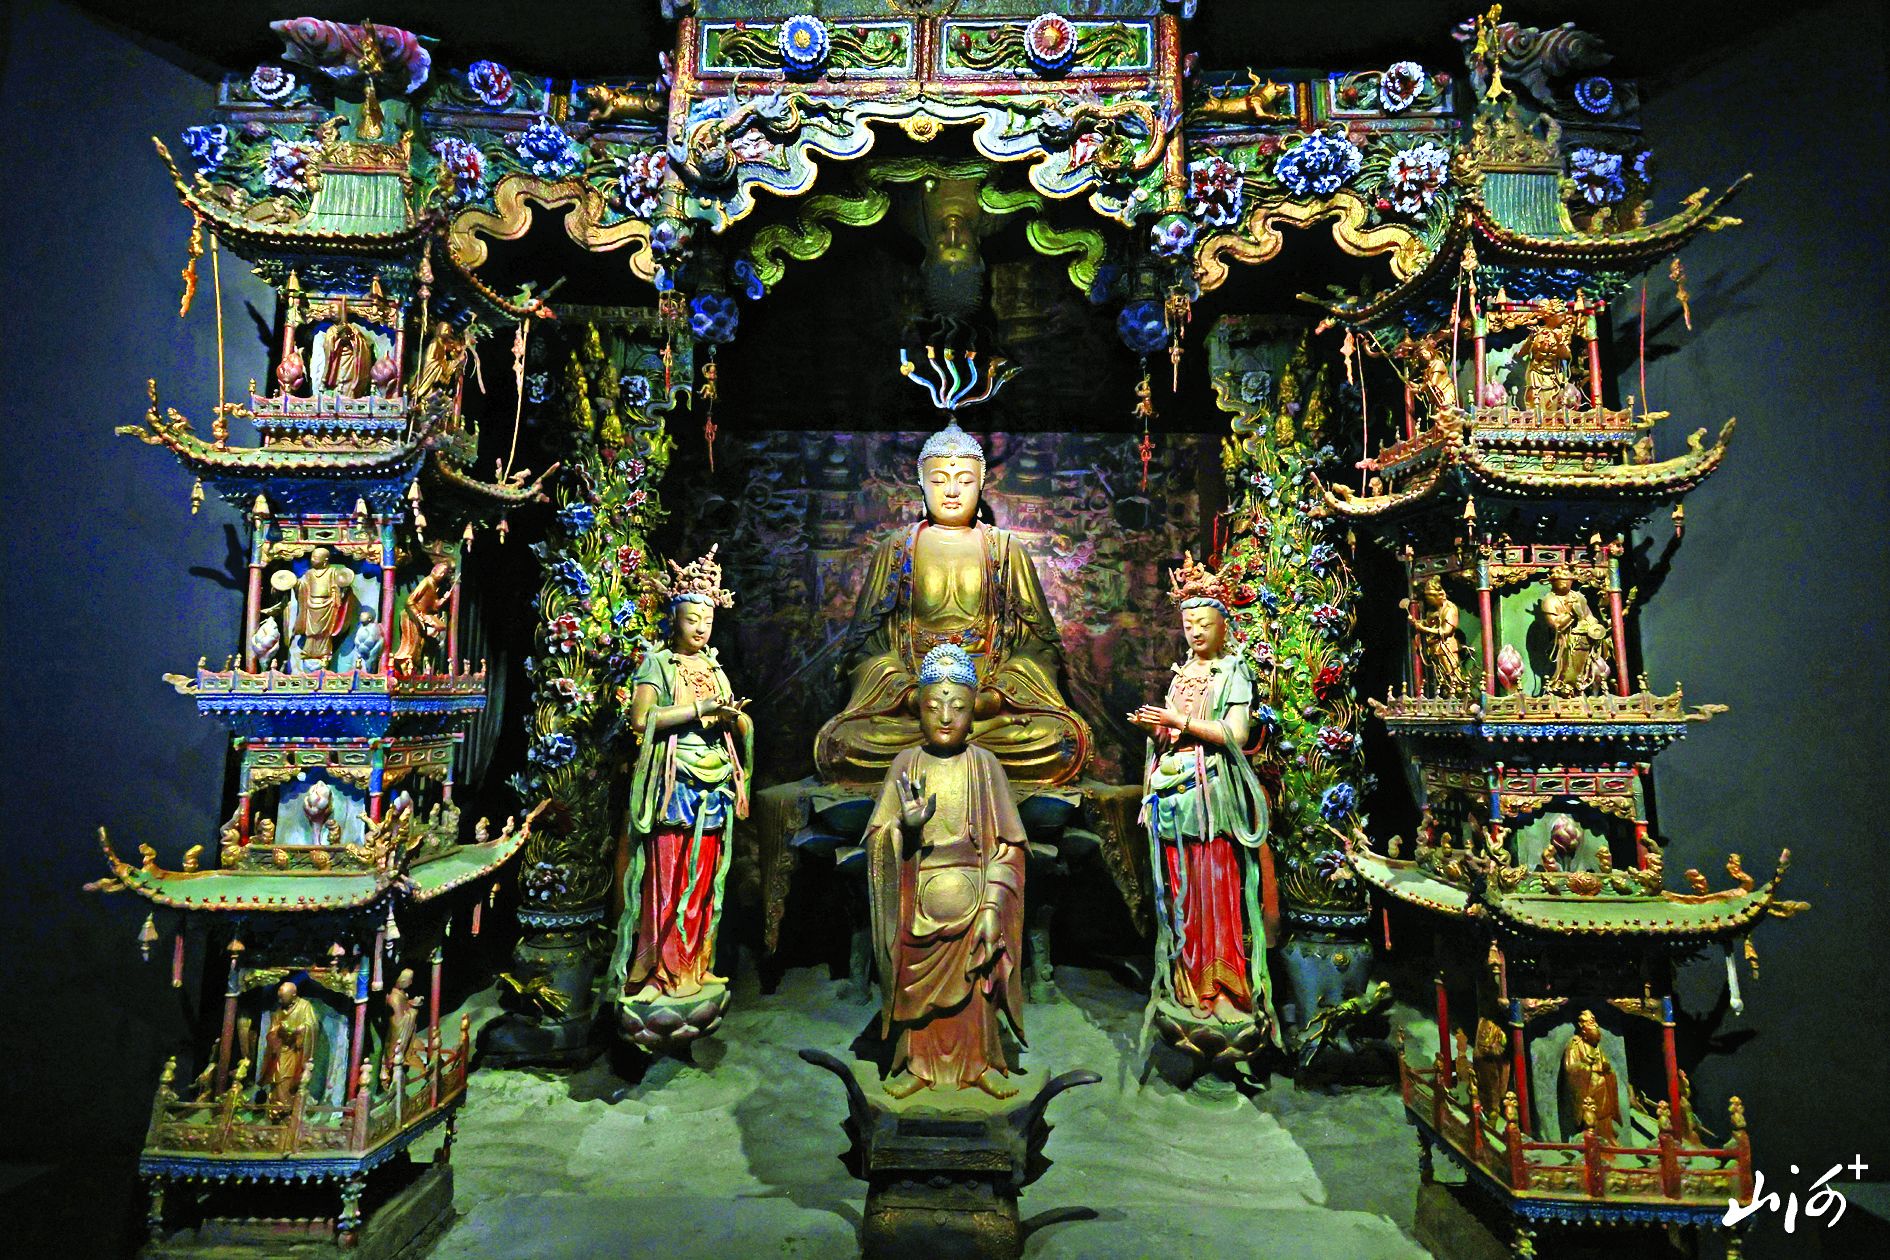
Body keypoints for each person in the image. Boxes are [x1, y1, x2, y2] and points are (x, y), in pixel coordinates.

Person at [816, 421, 1090, 786]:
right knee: (845, 744)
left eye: (964, 480)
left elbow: (1039, 650)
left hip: (988, 712)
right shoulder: (895, 550)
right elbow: (865, 650)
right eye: (939, 480)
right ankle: (946, 746)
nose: (951, 491)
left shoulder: (1007, 550)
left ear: (981, 484)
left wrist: (992, 698)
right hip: (914, 711)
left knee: (1058, 740)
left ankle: (955, 747)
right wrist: (912, 697)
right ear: (921, 483)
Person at [867, 644, 1027, 1098]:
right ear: (917, 709)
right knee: (917, 994)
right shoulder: (905, 763)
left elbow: (1009, 847)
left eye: (958, 707)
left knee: (976, 987)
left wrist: (993, 907)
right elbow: (877, 838)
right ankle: (917, 1064)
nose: (945, 717)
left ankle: (979, 1063)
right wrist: (905, 828)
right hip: (917, 900)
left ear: (974, 713)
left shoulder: (985, 764)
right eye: (933, 706)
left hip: (976, 900)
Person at [1130, 553, 1278, 1036]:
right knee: (1181, 892)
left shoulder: (1233, 671)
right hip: (1173, 794)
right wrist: (1156, 730)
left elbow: (1235, 733)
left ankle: (1223, 985)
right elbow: (1172, 734)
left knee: (1215, 889)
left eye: (1204, 624)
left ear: (1222, 626)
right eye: (1188, 624)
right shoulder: (1181, 674)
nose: (1195, 632)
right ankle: (1187, 982)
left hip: (1211, 795)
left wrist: (1181, 721)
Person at [607, 547, 752, 1003]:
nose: (701, 628)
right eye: (692, 619)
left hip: (715, 778)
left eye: (707, 620)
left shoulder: (712, 666)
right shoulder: (659, 663)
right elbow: (641, 719)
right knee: (667, 877)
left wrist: (734, 718)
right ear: (675, 619)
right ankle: (658, 972)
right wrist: (698, 708)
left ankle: (694, 964)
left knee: (704, 877)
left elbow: (727, 716)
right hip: (675, 779)